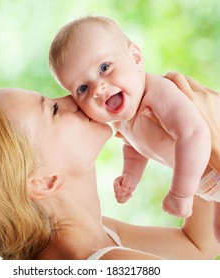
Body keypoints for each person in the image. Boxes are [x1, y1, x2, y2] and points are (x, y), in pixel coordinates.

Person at [0, 80, 220, 260]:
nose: (73, 98)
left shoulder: (93, 237)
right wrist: (214, 141)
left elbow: (198, 246)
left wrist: (190, 147)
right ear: (45, 182)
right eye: (54, 110)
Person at [48, 16, 220, 239]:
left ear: (136, 58)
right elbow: (136, 148)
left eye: (104, 67)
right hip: (211, 183)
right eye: (82, 88)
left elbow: (194, 134)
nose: (98, 89)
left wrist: (181, 193)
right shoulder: (121, 121)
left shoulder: (158, 92)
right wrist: (130, 175)